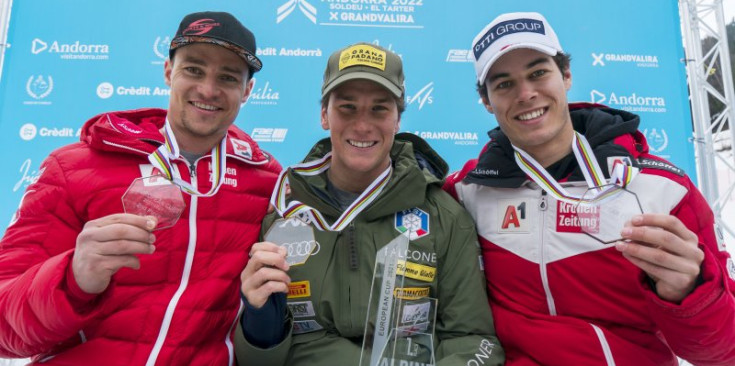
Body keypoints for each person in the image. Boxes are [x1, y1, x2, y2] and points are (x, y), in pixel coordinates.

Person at [444, 11, 735, 365]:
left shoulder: (662, 189)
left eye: (538, 73)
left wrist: (689, 292)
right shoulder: (466, 193)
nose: (525, 94)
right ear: (487, 102)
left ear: (566, 76)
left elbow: (721, 351)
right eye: (504, 84)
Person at [0, 11, 281, 365]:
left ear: (248, 91)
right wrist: (72, 278)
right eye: (194, 69)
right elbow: (4, 331)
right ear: (168, 72)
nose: (208, 89)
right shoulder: (74, 167)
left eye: (227, 77)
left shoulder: (267, 182)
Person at [234, 42, 504, 366]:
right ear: (324, 115)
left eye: (379, 109)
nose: (363, 125)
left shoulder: (444, 217)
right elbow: (259, 360)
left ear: (397, 120)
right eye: (347, 107)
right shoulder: (284, 212)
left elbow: (473, 341)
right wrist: (260, 323)